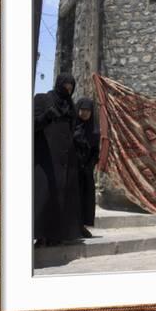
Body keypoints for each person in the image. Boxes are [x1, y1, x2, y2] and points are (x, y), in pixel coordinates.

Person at [34, 72, 83, 247]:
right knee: (44, 196)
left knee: (62, 197)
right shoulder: (42, 99)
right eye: (65, 86)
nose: (68, 90)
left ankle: (57, 235)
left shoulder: (70, 106)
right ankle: (41, 235)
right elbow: (31, 125)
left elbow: (73, 129)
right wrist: (46, 117)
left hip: (66, 158)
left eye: (71, 87)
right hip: (46, 156)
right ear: (58, 84)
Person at [73, 98, 100, 237]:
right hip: (71, 170)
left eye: (88, 110)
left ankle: (82, 226)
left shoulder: (94, 130)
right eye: (83, 110)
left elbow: (96, 151)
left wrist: (90, 165)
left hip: (86, 171)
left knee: (85, 199)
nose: (85, 113)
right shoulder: (71, 126)